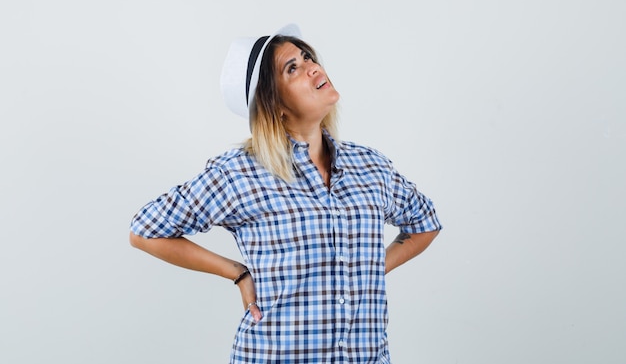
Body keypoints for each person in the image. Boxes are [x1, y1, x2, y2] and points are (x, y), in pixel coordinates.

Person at [129, 24, 442, 363]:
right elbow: (145, 231)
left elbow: (425, 222)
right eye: (293, 68)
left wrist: (367, 269)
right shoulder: (239, 172)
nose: (313, 68)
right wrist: (238, 272)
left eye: (308, 58)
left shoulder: (370, 165)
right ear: (275, 104)